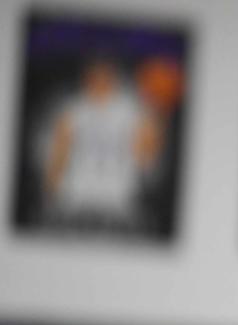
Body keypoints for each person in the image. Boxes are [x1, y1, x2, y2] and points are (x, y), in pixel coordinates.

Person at [43, 57, 162, 229]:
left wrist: (145, 172)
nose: (99, 82)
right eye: (94, 76)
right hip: (77, 192)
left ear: (113, 78)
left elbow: (146, 151)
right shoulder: (73, 109)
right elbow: (60, 150)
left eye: (104, 76)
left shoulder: (131, 109)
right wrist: (52, 187)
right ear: (86, 79)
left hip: (118, 195)